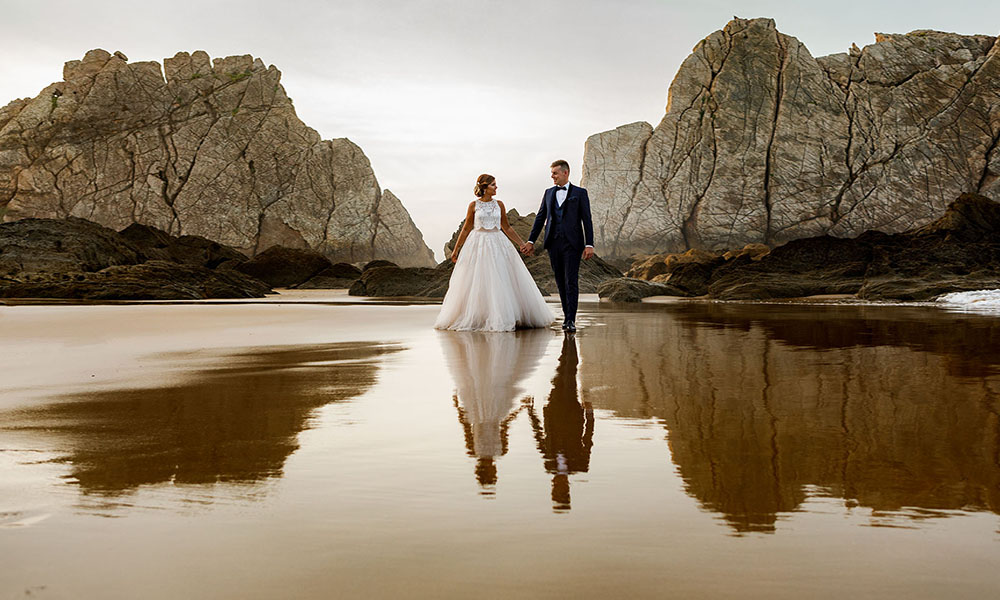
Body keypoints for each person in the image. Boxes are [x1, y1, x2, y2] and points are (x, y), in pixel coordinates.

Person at [434, 174, 555, 332]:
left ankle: (505, 315)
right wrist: (456, 249)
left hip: (498, 242)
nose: (496, 187)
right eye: (493, 185)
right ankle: (479, 316)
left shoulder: (500, 204)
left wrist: (522, 244)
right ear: (484, 187)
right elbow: (466, 228)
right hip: (477, 244)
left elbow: (507, 227)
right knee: (478, 280)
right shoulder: (473, 206)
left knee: (502, 278)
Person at [521, 160, 595, 332]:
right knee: (560, 281)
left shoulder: (580, 193)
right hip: (553, 243)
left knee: (571, 280)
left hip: (573, 243)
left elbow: (587, 220)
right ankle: (565, 315)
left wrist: (589, 244)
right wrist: (531, 241)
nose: (552, 177)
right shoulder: (548, 193)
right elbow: (540, 218)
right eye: (551, 173)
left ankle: (571, 320)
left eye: (555, 173)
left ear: (565, 173)